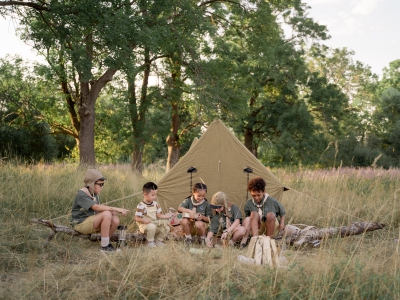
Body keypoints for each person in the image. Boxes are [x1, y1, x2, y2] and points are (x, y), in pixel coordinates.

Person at [70, 169, 129, 252]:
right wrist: (115, 208)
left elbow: (98, 209)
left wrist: (113, 212)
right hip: (80, 223)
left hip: (91, 221)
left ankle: (106, 243)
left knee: (115, 219)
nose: (102, 187)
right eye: (100, 184)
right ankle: (104, 247)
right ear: (91, 184)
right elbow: (96, 208)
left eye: (103, 184)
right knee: (107, 214)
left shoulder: (94, 194)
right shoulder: (82, 194)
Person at [242, 177, 286, 242]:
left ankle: (269, 240)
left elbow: (283, 213)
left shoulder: (272, 201)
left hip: (271, 227)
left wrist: (282, 222)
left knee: (270, 215)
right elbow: (248, 219)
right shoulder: (249, 204)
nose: (256, 198)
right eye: (253, 195)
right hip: (258, 229)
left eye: (258, 195)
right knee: (253, 213)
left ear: (264, 192)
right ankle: (255, 240)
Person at [134, 182, 172, 248]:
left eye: (155, 195)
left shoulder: (155, 204)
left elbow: (159, 215)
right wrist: (143, 220)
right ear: (145, 194)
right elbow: (136, 218)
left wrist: (167, 216)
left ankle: (158, 240)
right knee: (151, 227)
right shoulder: (141, 206)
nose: (154, 197)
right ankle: (150, 242)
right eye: (152, 195)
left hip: (154, 223)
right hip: (145, 226)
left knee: (166, 227)